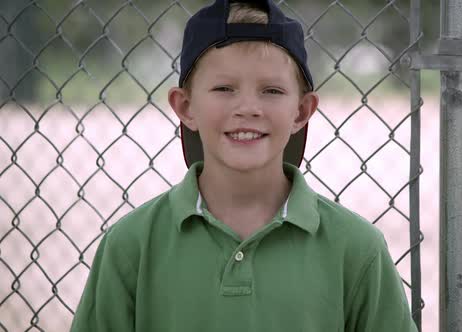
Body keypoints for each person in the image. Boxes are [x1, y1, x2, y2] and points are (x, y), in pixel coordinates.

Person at [70, 0, 418, 331]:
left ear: (301, 111)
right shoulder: (131, 246)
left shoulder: (356, 248)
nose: (248, 107)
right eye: (224, 88)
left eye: (271, 91)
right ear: (186, 107)